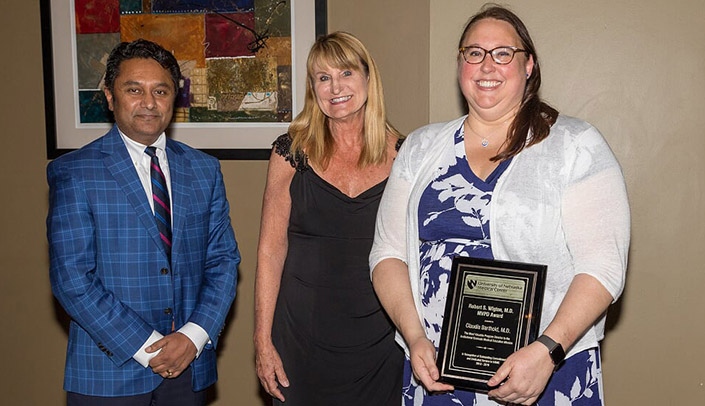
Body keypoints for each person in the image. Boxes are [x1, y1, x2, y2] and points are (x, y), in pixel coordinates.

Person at [369, 5, 630, 406]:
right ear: (460, 64)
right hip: (437, 374)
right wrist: (414, 335)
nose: (486, 65)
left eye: (503, 53)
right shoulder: (419, 148)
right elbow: (387, 253)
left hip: (544, 372)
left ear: (528, 66)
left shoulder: (576, 146)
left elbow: (603, 266)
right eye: (473, 52)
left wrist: (547, 351)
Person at [47, 39, 240, 406]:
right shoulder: (74, 172)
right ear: (109, 95)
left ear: (175, 98)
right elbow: (71, 278)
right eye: (134, 90)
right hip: (107, 375)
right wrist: (148, 347)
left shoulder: (204, 170)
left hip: (189, 368)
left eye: (161, 91)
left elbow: (223, 261)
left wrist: (194, 336)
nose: (149, 103)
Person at [253, 31, 404, 405]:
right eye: (323, 78)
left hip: (380, 338)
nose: (335, 87)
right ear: (313, 88)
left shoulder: (404, 154)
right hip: (300, 338)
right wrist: (262, 338)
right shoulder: (291, 152)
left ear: (368, 78)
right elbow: (271, 249)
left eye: (346, 73)